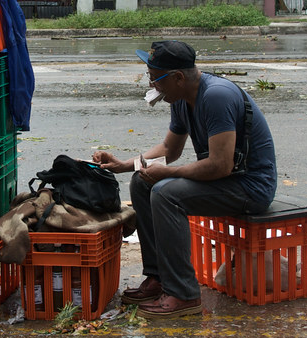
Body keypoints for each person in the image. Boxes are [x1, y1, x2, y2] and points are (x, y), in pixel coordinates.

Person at [92, 40, 277, 318]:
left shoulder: (217, 97)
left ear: (178, 77)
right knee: (142, 182)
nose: (153, 86)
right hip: (225, 180)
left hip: (250, 186)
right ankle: (158, 278)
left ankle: (183, 294)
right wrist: (124, 165)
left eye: (156, 79)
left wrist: (167, 173)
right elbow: (169, 150)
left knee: (166, 193)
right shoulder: (180, 99)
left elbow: (221, 165)